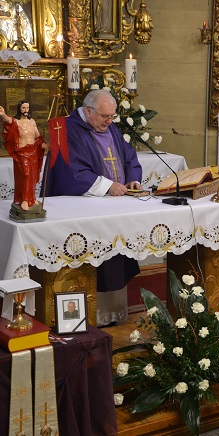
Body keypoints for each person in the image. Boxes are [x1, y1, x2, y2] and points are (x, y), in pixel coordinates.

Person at [44, 89, 143, 326]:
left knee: (115, 259)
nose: (109, 121)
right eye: (104, 116)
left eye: (112, 116)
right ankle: (89, 318)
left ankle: (112, 314)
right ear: (88, 110)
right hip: (82, 207)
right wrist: (108, 186)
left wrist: (132, 179)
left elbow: (129, 155)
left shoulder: (110, 128)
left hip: (114, 206)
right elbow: (69, 171)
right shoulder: (64, 129)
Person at [0, 100, 46, 212]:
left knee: (32, 176)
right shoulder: (16, 122)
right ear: (19, 109)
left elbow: (37, 137)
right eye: (23, 108)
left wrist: (45, 145)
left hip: (33, 152)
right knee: (25, 174)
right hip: (22, 152)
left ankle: (31, 198)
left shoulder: (32, 122)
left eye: (27, 108)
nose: (26, 110)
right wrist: (3, 115)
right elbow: (8, 120)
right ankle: (24, 199)